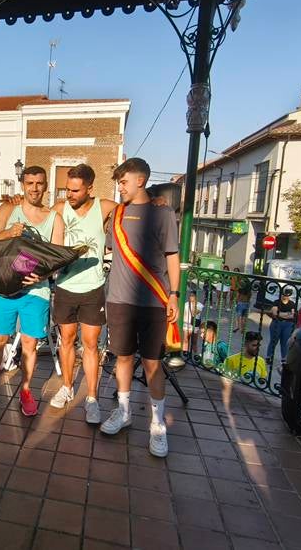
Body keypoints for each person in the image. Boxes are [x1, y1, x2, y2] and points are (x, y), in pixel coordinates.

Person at [100, 158, 180, 458]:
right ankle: (124, 412)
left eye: (124, 182)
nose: (120, 188)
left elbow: (172, 256)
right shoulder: (118, 213)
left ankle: (157, 424)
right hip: (119, 299)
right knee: (122, 358)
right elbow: (110, 244)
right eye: (118, 182)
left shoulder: (163, 213)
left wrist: (174, 295)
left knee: (152, 364)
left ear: (140, 181)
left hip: (153, 301)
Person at [0, 165, 64, 418]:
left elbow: (56, 257)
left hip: (36, 291)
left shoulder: (54, 218)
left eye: (39, 183)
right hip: (6, 289)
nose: (34, 188)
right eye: (30, 183)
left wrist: (43, 275)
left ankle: (25, 390)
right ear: (23, 185)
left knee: (29, 344)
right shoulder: (8, 209)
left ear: (45, 185)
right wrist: (8, 233)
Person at [46, 164, 117, 422]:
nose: (69, 194)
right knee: (66, 340)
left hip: (93, 288)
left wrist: (156, 203)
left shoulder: (105, 207)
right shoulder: (59, 209)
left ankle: (92, 399)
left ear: (90, 188)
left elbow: (133, 210)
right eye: (67, 189)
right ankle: (67, 387)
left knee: (90, 345)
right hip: (65, 286)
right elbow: (35, 217)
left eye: (75, 190)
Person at [266, 288, 296, 364]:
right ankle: (269, 357)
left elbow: (292, 315)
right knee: (274, 340)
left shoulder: (292, 303)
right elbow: (275, 313)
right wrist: (287, 314)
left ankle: (284, 359)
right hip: (277, 323)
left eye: (287, 295)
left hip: (288, 324)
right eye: (284, 294)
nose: (285, 296)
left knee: (285, 342)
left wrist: (281, 314)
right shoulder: (276, 302)